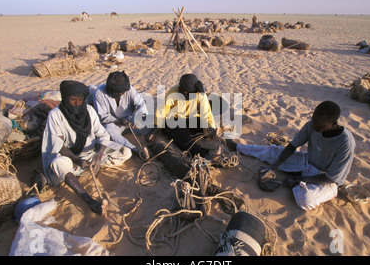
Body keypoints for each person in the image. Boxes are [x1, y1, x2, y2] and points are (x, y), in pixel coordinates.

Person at [227, 101, 356, 210]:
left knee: (306, 199)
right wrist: (274, 167)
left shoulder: (345, 143)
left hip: (326, 178)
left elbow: (332, 178)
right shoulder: (312, 125)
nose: (315, 126)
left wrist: (298, 179)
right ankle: (237, 147)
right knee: (273, 151)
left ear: (333, 123)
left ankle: (296, 184)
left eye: (320, 125)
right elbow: (292, 146)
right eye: (314, 121)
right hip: (307, 162)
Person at [42, 80, 132, 216]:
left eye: (80, 100)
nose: (77, 103)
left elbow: (102, 135)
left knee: (126, 152)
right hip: (70, 157)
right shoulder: (55, 115)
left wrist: (99, 154)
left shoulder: (89, 110)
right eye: (73, 100)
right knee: (57, 163)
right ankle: (90, 201)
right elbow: (58, 145)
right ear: (65, 98)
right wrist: (77, 160)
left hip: (91, 153)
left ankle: (89, 167)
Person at [146, 74, 222, 160]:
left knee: (206, 128)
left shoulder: (200, 94)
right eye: (184, 90)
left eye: (187, 91)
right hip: (175, 120)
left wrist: (209, 127)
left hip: (192, 119)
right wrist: (156, 127)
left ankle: (212, 144)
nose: (185, 92)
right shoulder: (173, 91)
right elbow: (162, 110)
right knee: (182, 136)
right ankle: (201, 153)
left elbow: (206, 114)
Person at [92, 71, 150, 160]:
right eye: (118, 92)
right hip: (113, 122)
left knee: (148, 122)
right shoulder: (99, 92)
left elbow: (141, 104)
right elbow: (102, 115)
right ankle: (135, 150)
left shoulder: (129, 89)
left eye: (122, 91)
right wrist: (119, 121)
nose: (121, 94)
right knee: (109, 131)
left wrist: (136, 117)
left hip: (130, 119)